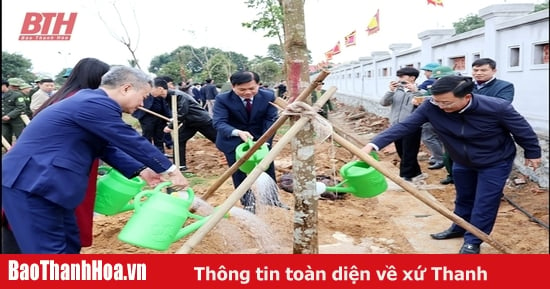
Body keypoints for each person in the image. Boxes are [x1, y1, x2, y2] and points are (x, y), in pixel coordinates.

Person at [2, 65, 188, 253]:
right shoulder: (93, 103)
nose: (142, 104)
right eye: (143, 96)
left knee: (69, 245)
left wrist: (143, 170)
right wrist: (170, 170)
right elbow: (127, 138)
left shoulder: (92, 103)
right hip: (33, 183)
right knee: (49, 253)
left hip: (50, 184)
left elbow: (105, 147)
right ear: (126, 88)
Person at [362, 75, 541, 254]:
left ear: (467, 97)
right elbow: (405, 126)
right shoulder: (431, 106)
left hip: (494, 161)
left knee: (485, 201)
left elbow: (522, 130)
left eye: (446, 103)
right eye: (437, 101)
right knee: (463, 197)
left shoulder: (497, 108)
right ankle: (459, 227)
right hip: (461, 160)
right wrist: (374, 143)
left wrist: (532, 152)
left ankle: (473, 241)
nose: (440, 106)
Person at [32, 58, 111, 250]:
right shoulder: (85, 102)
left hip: (48, 168)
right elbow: (112, 139)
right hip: (65, 169)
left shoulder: (61, 97)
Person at [213, 71, 288, 214]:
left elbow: (270, 120)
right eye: (242, 89)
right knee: (239, 172)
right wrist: (237, 132)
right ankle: (248, 203)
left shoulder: (268, 96)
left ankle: (272, 199)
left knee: (267, 168)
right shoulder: (223, 99)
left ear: (258, 85)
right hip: (233, 141)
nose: (248, 92)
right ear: (233, 87)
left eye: (252, 88)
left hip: (261, 139)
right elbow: (219, 122)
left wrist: (264, 140)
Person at [160, 77, 217, 171]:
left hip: (201, 120)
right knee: (179, 139)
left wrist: (171, 126)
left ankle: (235, 155)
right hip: (190, 122)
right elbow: (178, 111)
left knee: (218, 139)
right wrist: (173, 119)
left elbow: (182, 112)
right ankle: (180, 165)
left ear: (160, 89)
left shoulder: (177, 95)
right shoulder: (168, 96)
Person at [380, 67, 424, 182]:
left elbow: (424, 105)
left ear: (412, 78)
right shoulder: (397, 91)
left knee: (409, 151)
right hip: (396, 126)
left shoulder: (421, 91)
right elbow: (383, 103)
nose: (399, 79)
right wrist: (390, 91)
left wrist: (416, 92)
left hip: (412, 126)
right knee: (401, 151)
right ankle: (417, 173)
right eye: (399, 77)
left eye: (402, 77)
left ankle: (405, 176)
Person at [131, 78, 172, 153]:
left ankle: (160, 153)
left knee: (159, 136)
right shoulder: (145, 91)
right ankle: (148, 153)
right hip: (147, 117)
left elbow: (165, 105)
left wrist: (169, 117)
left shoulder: (159, 92)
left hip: (160, 116)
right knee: (147, 135)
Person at [417, 63, 445, 170]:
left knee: (428, 137)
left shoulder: (430, 82)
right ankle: (437, 157)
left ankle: (440, 159)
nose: (425, 74)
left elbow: (422, 94)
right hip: (438, 116)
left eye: (427, 71)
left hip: (431, 116)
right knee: (437, 138)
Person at [2, 78, 27, 145]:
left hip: (16, 120)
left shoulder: (17, 95)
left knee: (20, 136)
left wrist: (9, 115)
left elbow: (21, 107)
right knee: (5, 137)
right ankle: (8, 151)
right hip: (4, 121)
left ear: (4, 85)